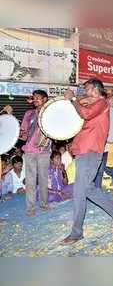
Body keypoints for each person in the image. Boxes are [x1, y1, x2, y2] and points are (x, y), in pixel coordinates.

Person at [60, 78, 113, 246]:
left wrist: (73, 99)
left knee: (79, 192)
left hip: (90, 151)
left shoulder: (102, 103)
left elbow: (86, 114)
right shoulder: (93, 103)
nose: (84, 91)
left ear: (95, 89)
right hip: (85, 151)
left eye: (87, 88)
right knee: (88, 189)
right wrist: (76, 100)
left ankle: (76, 233)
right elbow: (83, 109)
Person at [20, 89, 52, 217]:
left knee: (44, 178)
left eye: (37, 97)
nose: (34, 100)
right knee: (30, 180)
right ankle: (30, 208)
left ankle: (44, 204)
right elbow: (23, 134)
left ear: (45, 99)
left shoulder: (50, 113)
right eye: (33, 98)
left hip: (44, 151)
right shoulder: (29, 114)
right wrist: (17, 133)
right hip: (29, 151)